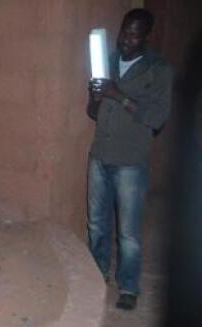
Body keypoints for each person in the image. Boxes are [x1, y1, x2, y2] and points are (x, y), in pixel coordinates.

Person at [86, 8, 173, 310]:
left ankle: (129, 287)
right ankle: (98, 274)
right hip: (100, 155)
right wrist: (96, 98)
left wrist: (116, 93)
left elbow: (157, 118)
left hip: (130, 162)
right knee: (97, 224)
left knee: (128, 231)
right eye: (124, 32)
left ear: (146, 37)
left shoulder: (159, 69)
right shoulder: (106, 61)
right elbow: (93, 113)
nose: (126, 39)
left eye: (134, 34)